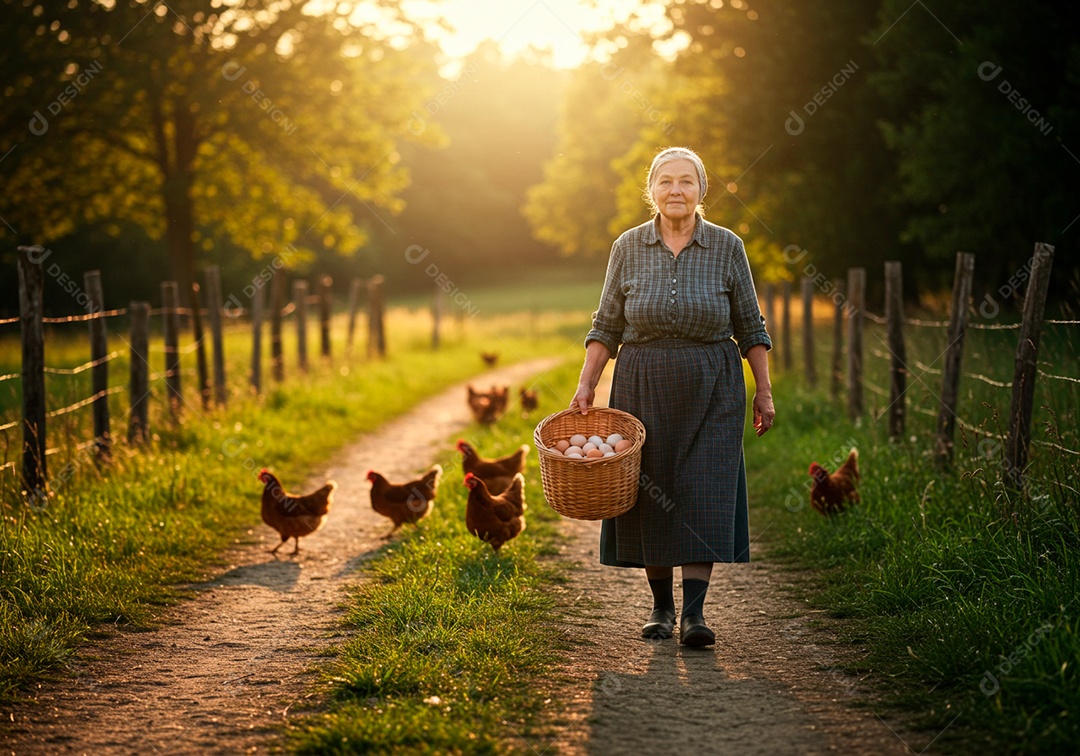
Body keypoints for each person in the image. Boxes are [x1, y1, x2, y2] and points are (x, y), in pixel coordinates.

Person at [570, 146, 774, 647]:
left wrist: (763, 390)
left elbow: (751, 325)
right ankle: (662, 609)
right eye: (666, 182)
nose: (676, 191)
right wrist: (586, 382)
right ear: (652, 190)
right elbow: (606, 325)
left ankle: (696, 616)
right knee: (652, 492)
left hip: (714, 383)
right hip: (643, 381)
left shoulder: (728, 247)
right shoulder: (628, 247)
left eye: (686, 182)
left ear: (701, 191)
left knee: (704, 487)